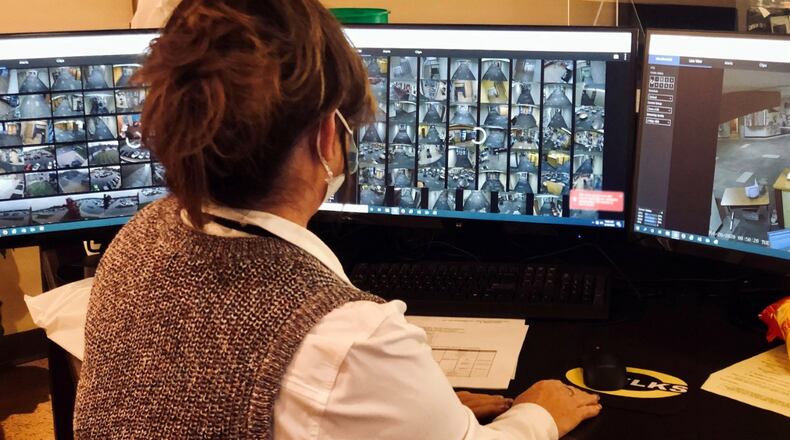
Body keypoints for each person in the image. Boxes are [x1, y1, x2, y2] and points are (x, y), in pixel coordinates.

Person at [75, 1, 601, 438]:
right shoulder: (351, 338)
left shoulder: (138, 235)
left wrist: (411, 406)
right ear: (328, 136)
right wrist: (540, 414)